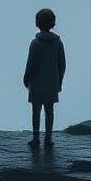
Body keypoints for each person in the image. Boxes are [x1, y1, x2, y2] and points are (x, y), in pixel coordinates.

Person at [22, 8, 66, 150]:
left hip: (36, 84)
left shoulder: (35, 43)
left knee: (35, 111)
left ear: (37, 23)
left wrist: (26, 78)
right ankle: (48, 138)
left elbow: (30, 64)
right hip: (52, 83)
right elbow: (62, 65)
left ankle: (36, 138)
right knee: (50, 111)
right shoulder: (58, 43)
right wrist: (59, 81)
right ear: (53, 24)